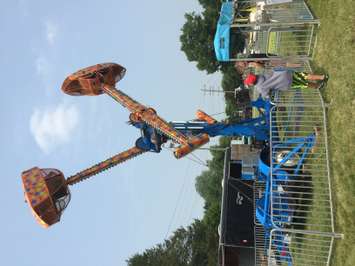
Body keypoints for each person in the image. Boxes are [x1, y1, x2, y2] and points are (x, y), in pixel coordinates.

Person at [243, 69, 327, 98]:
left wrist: (266, 95)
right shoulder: (260, 75)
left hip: (285, 84)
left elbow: (266, 95)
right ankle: (321, 77)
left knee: (303, 84)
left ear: (251, 84)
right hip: (285, 74)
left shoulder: (260, 88)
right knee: (304, 76)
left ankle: (317, 86)